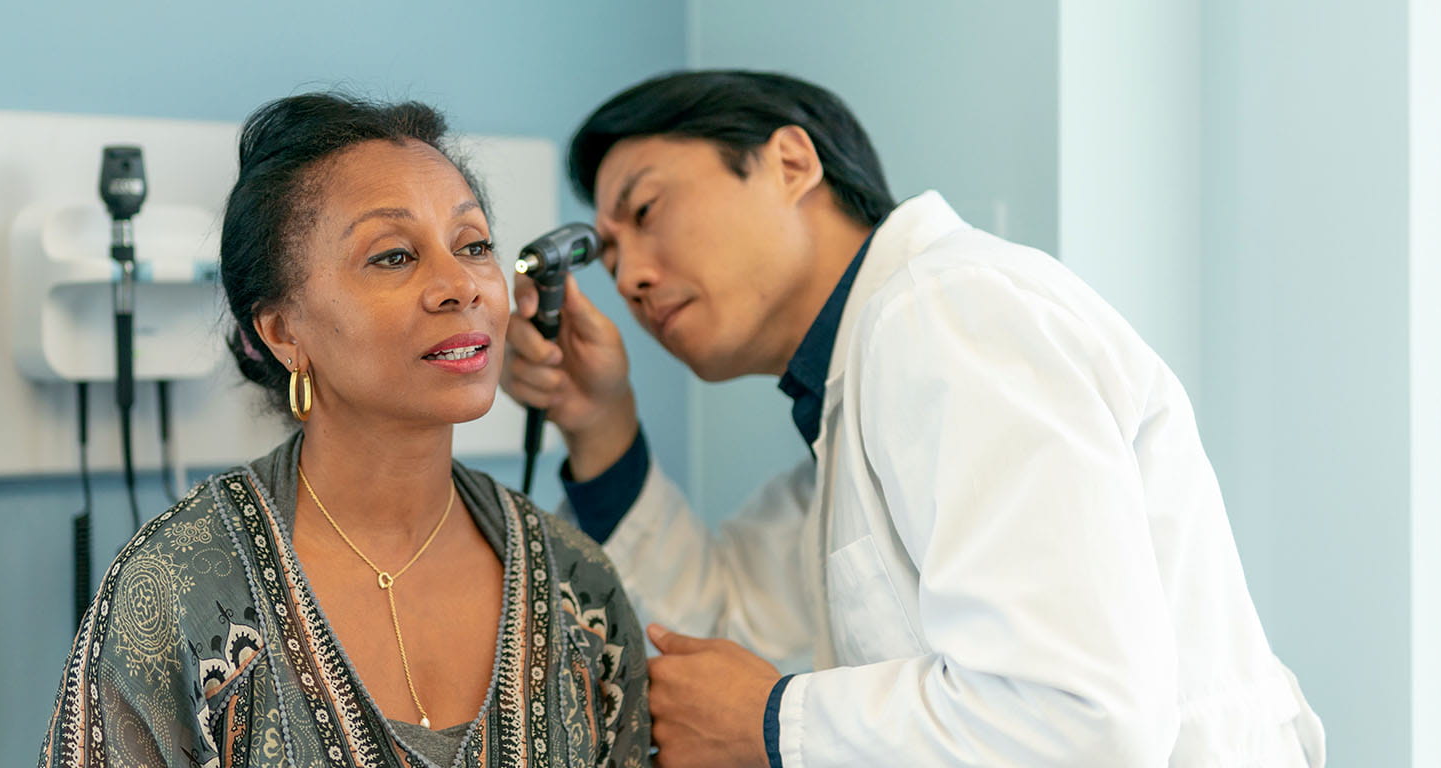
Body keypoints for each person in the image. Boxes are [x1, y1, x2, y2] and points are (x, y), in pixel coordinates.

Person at [500, 71, 1322, 767]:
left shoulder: (950, 313)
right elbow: (721, 632)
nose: (633, 276)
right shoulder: (852, 402)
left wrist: (776, 725)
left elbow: (1077, 714)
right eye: (607, 259)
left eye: (645, 213)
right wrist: (596, 421)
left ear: (789, 163)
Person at [40, 91, 649, 768]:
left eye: (473, 245)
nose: (460, 285)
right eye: (392, 256)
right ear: (281, 330)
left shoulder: (578, 592)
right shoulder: (178, 596)